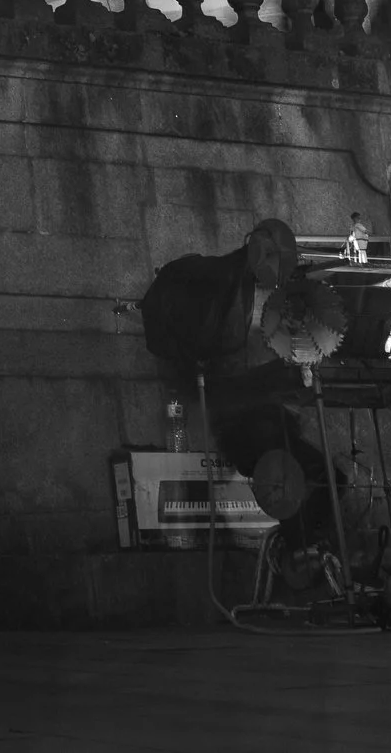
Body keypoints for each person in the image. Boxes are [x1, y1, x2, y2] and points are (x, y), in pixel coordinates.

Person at [137, 217, 339, 565]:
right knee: (315, 477)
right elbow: (235, 380)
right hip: (243, 424)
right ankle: (298, 549)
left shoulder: (243, 293)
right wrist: (285, 378)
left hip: (258, 419)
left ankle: (300, 546)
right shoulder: (227, 291)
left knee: (324, 478)